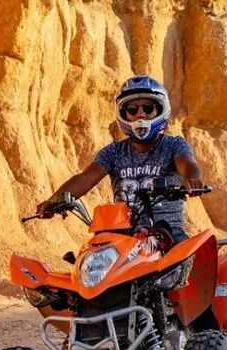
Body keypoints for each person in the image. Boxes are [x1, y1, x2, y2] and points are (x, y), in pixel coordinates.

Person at [36, 75, 204, 243]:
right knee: (92, 254)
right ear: (123, 114)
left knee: (187, 252)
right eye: (132, 109)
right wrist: (53, 200)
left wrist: (192, 179)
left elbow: (188, 164)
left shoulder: (173, 145)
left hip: (167, 234)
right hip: (123, 236)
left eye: (148, 108)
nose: (140, 114)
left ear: (160, 110)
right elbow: (85, 178)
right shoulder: (114, 151)